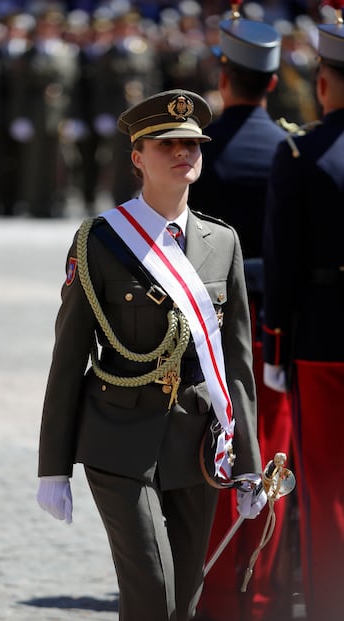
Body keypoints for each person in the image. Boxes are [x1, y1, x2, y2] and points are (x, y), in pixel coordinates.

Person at [36, 88, 267, 621]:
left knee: (186, 597)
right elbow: (69, 357)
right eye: (167, 144)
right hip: (118, 440)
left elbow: (235, 364)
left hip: (198, 445)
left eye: (192, 143)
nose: (183, 152)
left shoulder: (222, 241)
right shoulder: (101, 240)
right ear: (138, 158)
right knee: (152, 592)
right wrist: (53, 466)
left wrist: (249, 464)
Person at [189, 6, 293, 621]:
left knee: (205, 461)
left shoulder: (192, 152)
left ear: (224, 77)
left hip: (204, 331)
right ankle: (258, 590)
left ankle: (208, 590)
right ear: (274, 82)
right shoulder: (288, 147)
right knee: (266, 462)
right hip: (268, 333)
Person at [262, 4, 344, 621]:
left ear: (323, 83)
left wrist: (278, 346)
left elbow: (282, 266)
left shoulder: (299, 155)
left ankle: (328, 605)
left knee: (325, 488)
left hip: (322, 335)